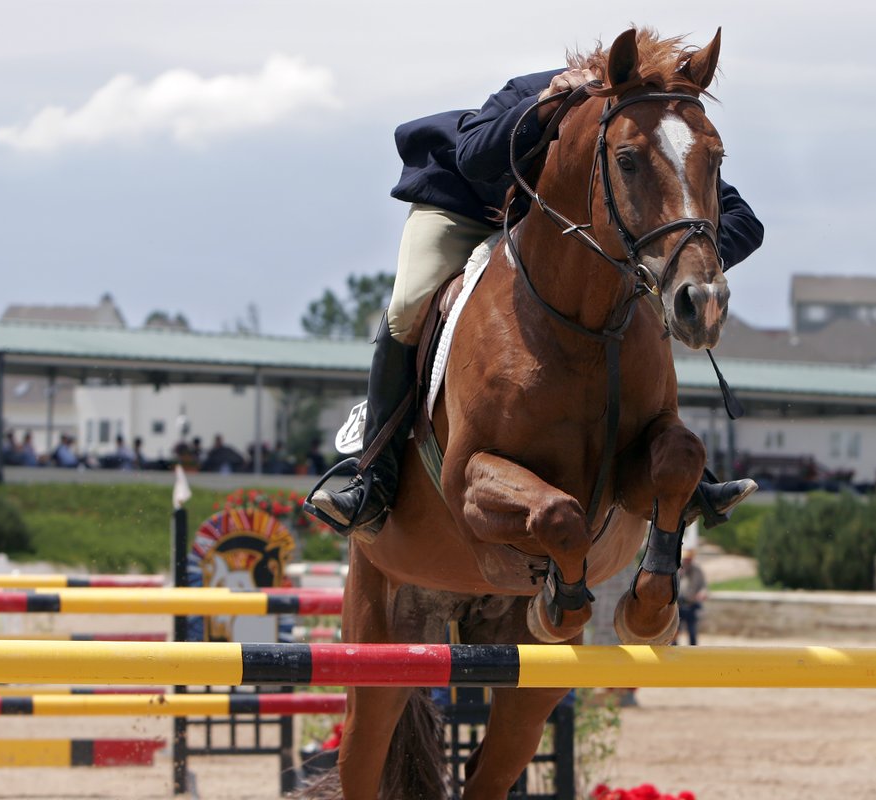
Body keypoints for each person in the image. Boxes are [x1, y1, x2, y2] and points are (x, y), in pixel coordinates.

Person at [309, 52, 764, 538]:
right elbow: (472, 157)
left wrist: (673, 260)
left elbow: (742, 222)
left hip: (555, 240)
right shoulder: (534, 91)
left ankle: (678, 475)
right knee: (407, 308)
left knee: (631, 302)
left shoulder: (647, 133)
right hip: (465, 207)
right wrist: (546, 106)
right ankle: (373, 476)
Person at [677, 548, 709, 646]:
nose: (687, 561)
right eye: (685, 559)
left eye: (689, 559)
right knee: (674, 632)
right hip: (678, 606)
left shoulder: (697, 571)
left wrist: (703, 593)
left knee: (692, 631)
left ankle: (693, 650)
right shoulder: (677, 570)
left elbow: (703, 586)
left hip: (692, 604)